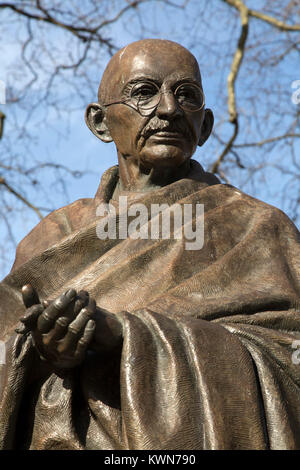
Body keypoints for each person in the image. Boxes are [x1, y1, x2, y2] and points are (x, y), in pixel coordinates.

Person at [0, 39, 300, 450]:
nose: (169, 110)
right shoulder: (53, 236)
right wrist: (38, 350)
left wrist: (126, 334)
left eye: (186, 96)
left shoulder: (256, 227)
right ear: (99, 122)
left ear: (206, 125)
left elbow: (290, 362)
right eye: (144, 92)